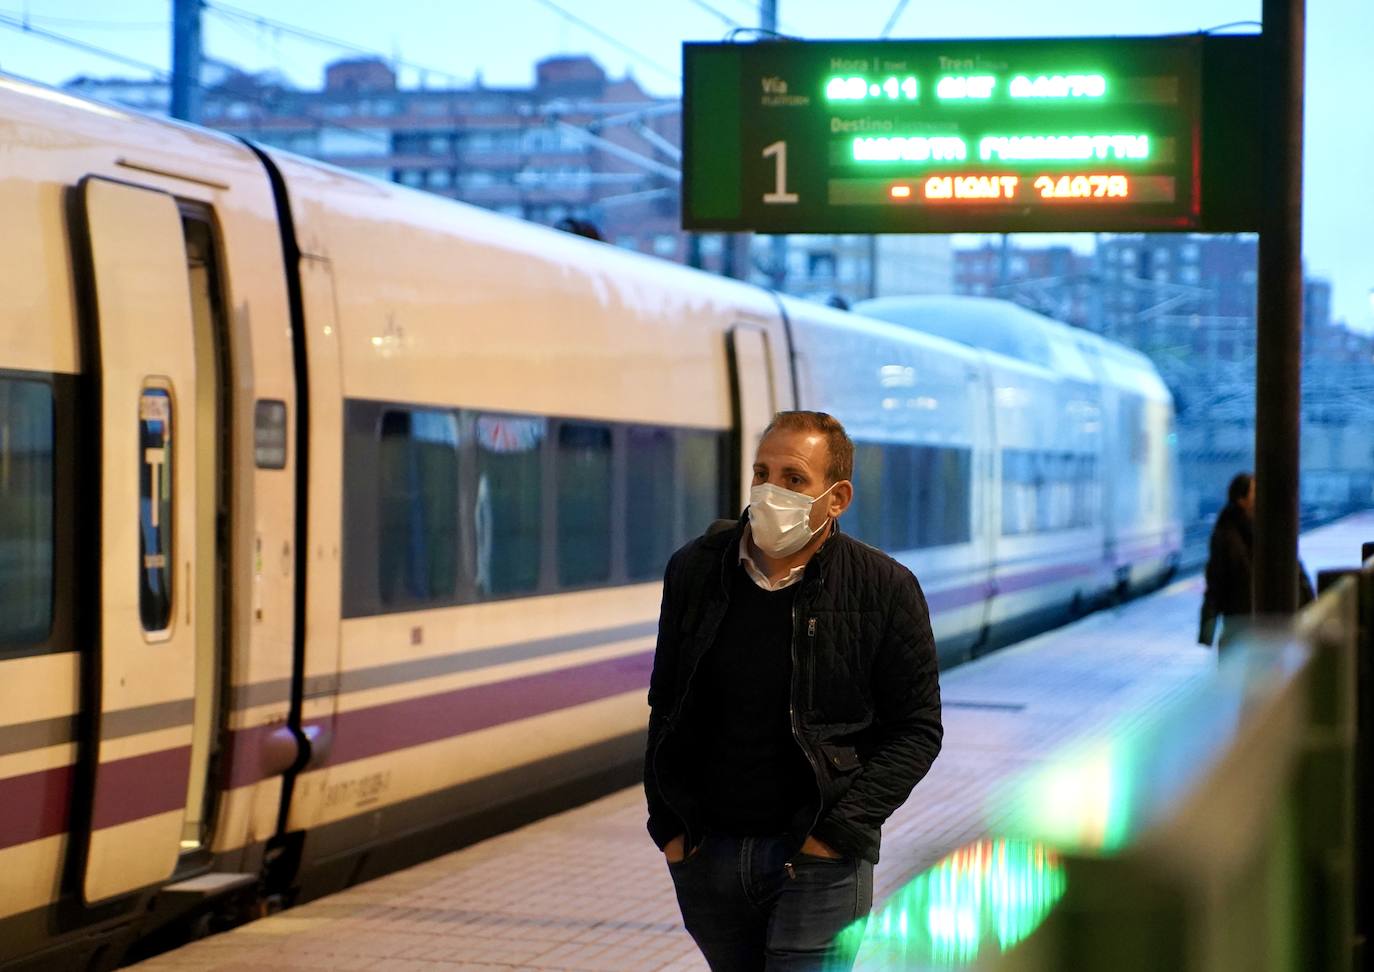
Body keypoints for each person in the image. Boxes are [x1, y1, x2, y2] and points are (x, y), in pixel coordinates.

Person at [644, 410, 943, 971]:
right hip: (710, 855)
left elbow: (918, 730)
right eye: (762, 473)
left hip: (820, 860)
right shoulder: (695, 571)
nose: (769, 491)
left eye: (793, 479)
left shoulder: (885, 588)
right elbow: (667, 706)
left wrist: (836, 835)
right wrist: (671, 830)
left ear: (837, 497)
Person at [1200, 472, 1315, 651]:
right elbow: (1216, 580)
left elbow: (1295, 568)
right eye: (1255, 492)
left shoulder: (1270, 527)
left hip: (1266, 622)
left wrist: (1309, 602)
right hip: (1238, 623)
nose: (1261, 497)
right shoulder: (1226, 534)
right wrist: (1207, 630)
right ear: (1241, 499)